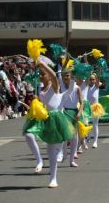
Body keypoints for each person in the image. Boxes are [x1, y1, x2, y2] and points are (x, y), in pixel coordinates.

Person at [23, 60, 74, 188]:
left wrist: (42, 64)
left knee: (51, 152)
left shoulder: (55, 86)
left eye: (42, 74)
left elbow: (53, 75)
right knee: (28, 135)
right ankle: (39, 159)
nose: (40, 76)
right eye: (39, 74)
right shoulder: (41, 88)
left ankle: (53, 178)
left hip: (56, 120)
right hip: (44, 118)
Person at [60, 70, 83, 167]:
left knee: (74, 137)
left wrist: (79, 113)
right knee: (64, 136)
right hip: (64, 112)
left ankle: (71, 160)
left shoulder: (77, 88)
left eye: (67, 75)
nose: (66, 77)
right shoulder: (61, 87)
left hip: (74, 113)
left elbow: (82, 103)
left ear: (71, 76)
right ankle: (64, 153)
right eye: (64, 76)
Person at [87, 73, 104, 148]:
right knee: (86, 123)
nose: (92, 81)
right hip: (87, 107)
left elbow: (98, 77)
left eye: (93, 79)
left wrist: (99, 70)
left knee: (95, 124)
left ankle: (95, 141)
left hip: (95, 108)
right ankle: (88, 135)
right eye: (90, 79)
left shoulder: (96, 86)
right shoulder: (86, 86)